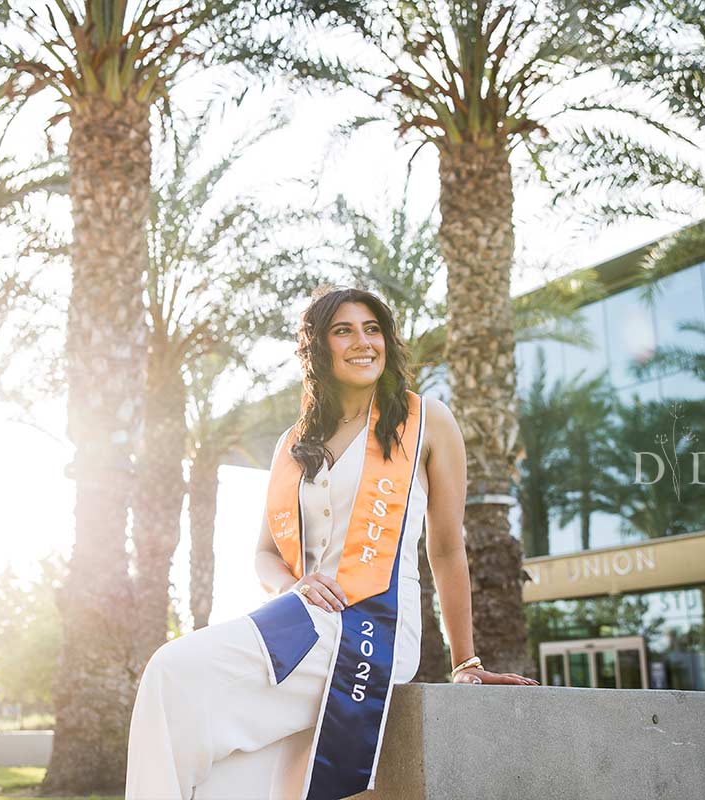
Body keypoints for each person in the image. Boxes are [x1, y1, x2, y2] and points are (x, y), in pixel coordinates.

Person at [125, 287, 538, 800]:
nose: (363, 342)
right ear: (318, 348)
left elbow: (447, 548)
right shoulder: (294, 442)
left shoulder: (427, 421)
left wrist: (466, 661)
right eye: (343, 330)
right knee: (231, 775)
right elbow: (264, 553)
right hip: (300, 619)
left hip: (377, 628)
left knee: (172, 672)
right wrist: (293, 584)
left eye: (372, 329)